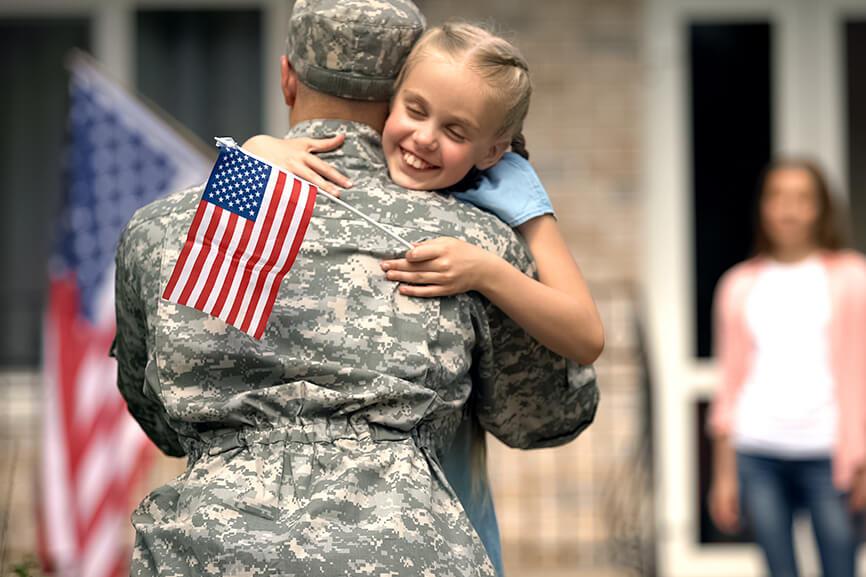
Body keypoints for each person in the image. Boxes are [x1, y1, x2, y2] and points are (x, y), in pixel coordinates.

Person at [112, 1, 600, 576]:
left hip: (206, 553)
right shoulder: (470, 242)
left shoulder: (169, 227)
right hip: (407, 550)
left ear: (287, 77)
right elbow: (541, 416)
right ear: (396, 88)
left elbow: (159, 419)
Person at [243, 22, 605, 574]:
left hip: (446, 482)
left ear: (493, 149)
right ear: (391, 101)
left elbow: (586, 333)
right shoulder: (354, 161)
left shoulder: (508, 187)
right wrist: (257, 148)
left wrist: (485, 269)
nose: (424, 139)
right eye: (414, 110)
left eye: (455, 131)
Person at [707, 158, 866, 577]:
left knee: (840, 566)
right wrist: (723, 476)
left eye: (802, 198)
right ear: (763, 206)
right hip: (758, 452)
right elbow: (730, 386)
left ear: (821, 208)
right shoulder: (739, 285)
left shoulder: (853, 279)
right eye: (777, 196)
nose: (788, 209)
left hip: (829, 454)